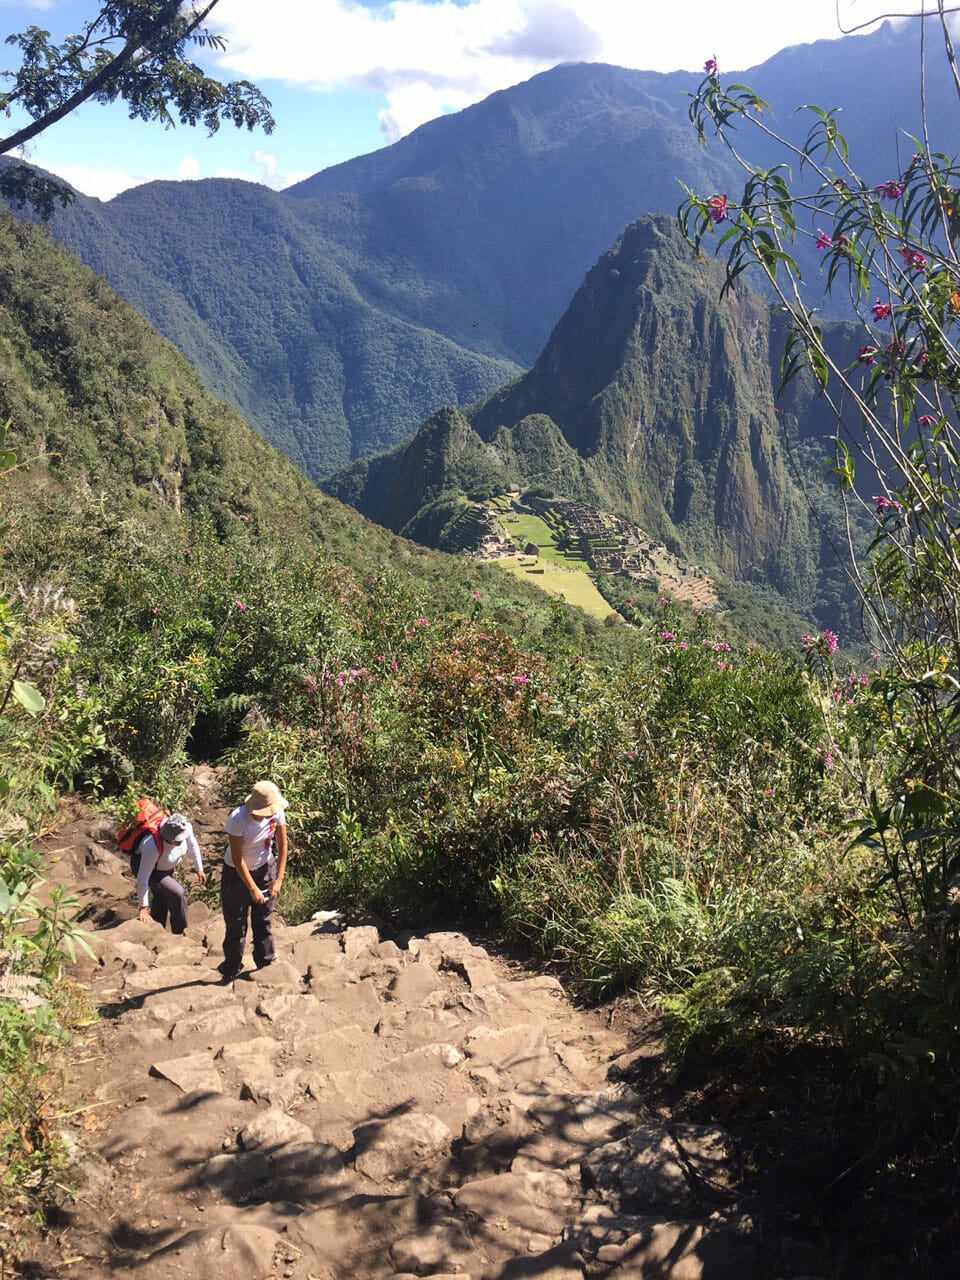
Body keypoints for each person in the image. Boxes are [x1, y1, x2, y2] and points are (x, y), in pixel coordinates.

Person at [219, 780, 288, 980]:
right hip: (236, 874)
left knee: (264, 919)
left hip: (265, 867)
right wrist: (252, 888)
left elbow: (283, 846)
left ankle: (265, 962)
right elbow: (237, 858)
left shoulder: (277, 813)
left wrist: (278, 879)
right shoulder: (238, 820)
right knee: (236, 924)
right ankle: (231, 967)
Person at [135, 813, 206, 934]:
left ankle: (158, 929)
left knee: (162, 895)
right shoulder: (151, 846)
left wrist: (199, 868)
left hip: (166, 869)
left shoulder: (186, 827)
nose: (179, 842)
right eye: (176, 840)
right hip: (151, 871)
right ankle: (180, 931)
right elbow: (143, 877)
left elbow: (192, 844)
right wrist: (143, 907)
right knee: (177, 892)